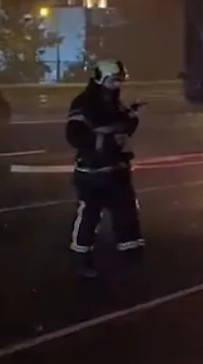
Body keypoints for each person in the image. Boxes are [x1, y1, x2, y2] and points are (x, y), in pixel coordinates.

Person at [67, 60, 144, 278]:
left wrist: (131, 116)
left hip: (116, 170)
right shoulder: (85, 104)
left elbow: (124, 128)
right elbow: (74, 135)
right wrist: (101, 141)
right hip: (93, 172)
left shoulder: (115, 103)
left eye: (120, 80)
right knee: (90, 216)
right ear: (101, 78)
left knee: (126, 213)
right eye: (113, 80)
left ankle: (132, 257)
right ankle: (81, 260)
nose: (117, 85)